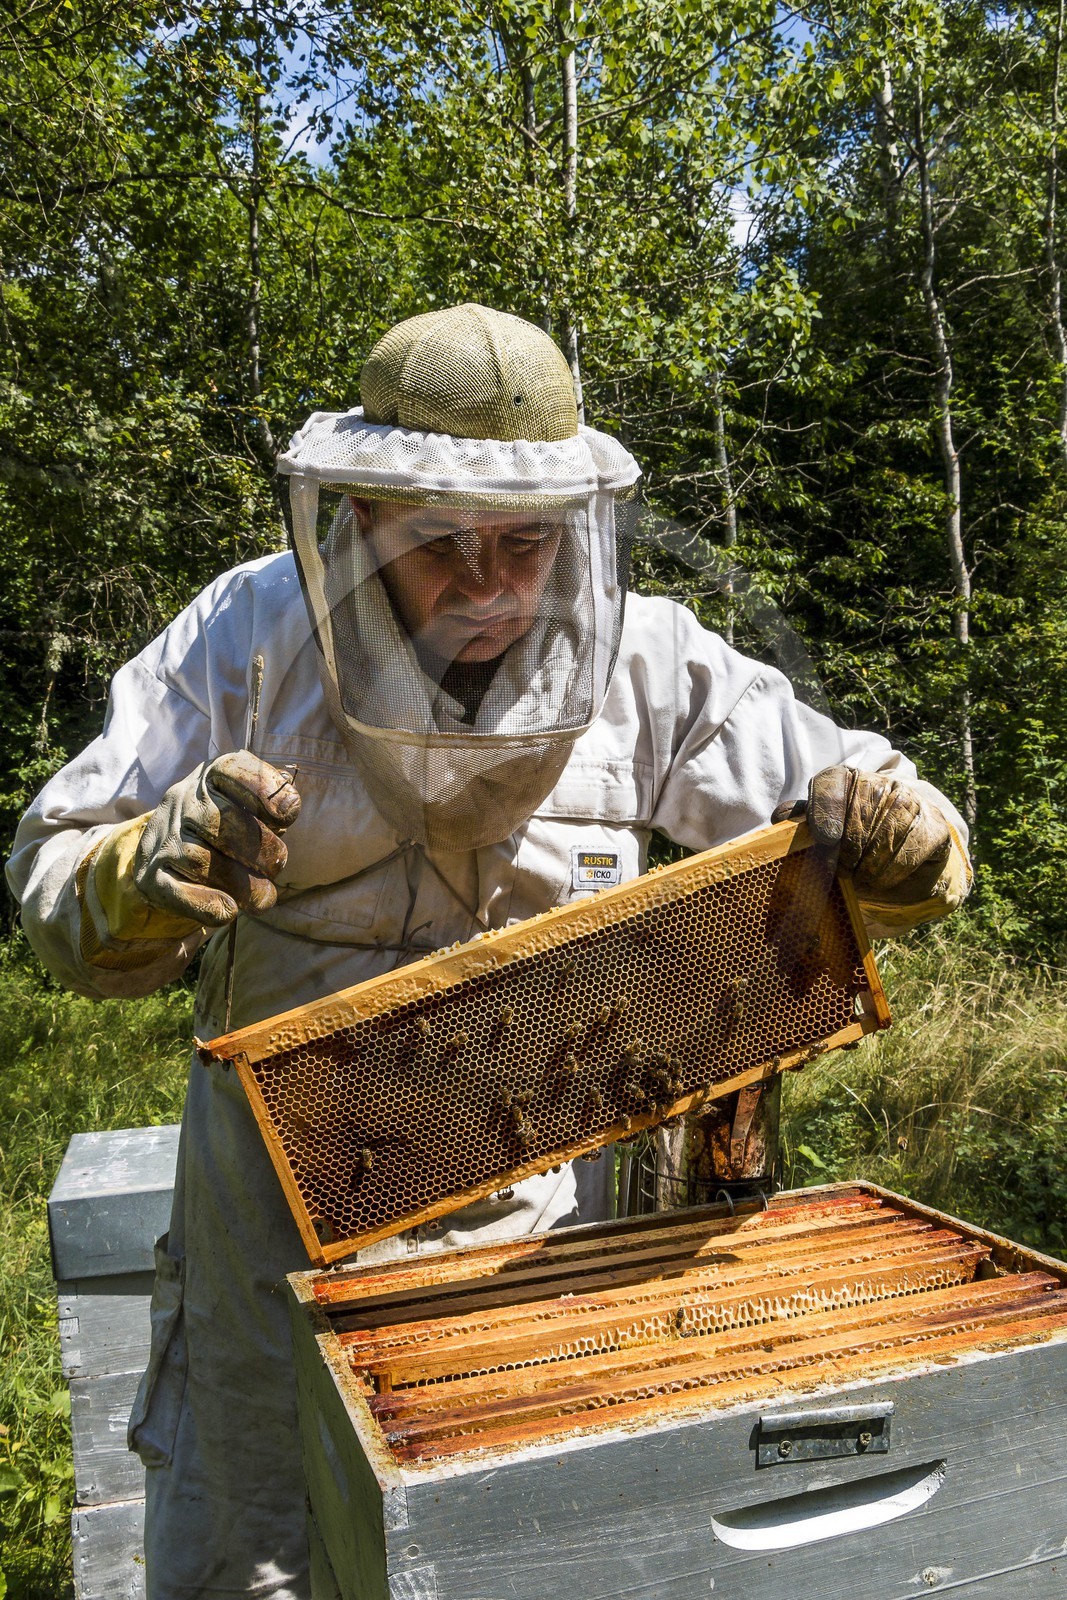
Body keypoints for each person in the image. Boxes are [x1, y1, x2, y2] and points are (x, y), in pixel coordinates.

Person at [7, 304, 971, 1599]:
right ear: (355, 522)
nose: (493, 588)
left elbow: (881, 810)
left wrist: (906, 850)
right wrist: (137, 874)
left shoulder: (649, 658)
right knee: (260, 1564)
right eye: (444, 546)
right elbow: (51, 864)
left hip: (545, 1249)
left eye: (526, 545)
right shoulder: (245, 638)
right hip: (275, 1254)